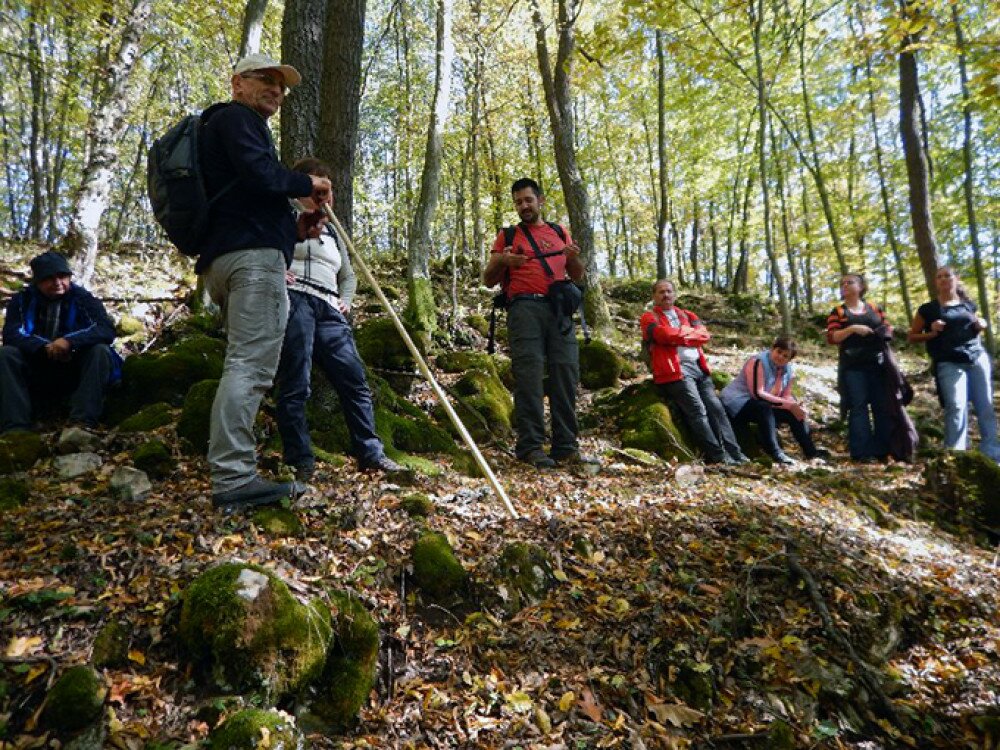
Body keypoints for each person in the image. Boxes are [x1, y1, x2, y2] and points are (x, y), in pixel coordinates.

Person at [196, 53, 332, 510]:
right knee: (250, 367)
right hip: (250, 263)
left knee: (244, 363)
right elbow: (261, 175)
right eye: (265, 80)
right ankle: (233, 477)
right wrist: (304, 182)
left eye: (281, 85)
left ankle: (232, 470)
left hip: (236, 256)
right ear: (238, 83)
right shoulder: (236, 119)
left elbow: (248, 193)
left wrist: (294, 230)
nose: (276, 89)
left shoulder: (234, 127)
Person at [275, 158, 403, 481]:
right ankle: (299, 459)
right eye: (313, 184)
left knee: (355, 378)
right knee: (296, 380)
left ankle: (371, 453)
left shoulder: (333, 230)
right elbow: (267, 252)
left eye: (325, 187)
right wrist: (278, 274)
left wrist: (345, 301)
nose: (320, 194)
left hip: (330, 308)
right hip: (296, 300)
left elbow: (348, 275)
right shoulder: (283, 216)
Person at [483, 177, 594, 469]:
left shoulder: (559, 232)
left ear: (540, 200)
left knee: (566, 374)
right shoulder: (507, 237)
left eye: (528, 200)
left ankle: (566, 446)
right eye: (518, 202)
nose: (524, 206)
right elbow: (488, 279)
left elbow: (578, 274)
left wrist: (572, 258)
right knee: (529, 376)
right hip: (524, 308)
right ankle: (531, 447)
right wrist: (504, 262)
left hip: (559, 310)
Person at [0, 251, 120, 432]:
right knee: (6, 354)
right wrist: (44, 347)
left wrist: (69, 342)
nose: (57, 283)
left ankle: (81, 423)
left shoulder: (83, 298)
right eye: (49, 278)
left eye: (62, 276)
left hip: (74, 368)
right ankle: (16, 428)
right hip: (36, 368)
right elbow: (12, 334)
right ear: (37, 282)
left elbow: (105, 329)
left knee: (100, 351)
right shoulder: (21, 300)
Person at [640, 279, 749, 465]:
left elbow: (704, 335)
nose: (665, 295)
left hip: (699, 368)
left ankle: (736, 453)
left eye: (668, 291)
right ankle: (718, 457)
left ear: (674, 294)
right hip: (674, 371)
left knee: (717, 409)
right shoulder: (649, 318)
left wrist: (679, 334)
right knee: (697, 411)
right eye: (660, 292)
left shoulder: (688, 315)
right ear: (654, 296)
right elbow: (661, 335)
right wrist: (688, 335)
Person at [908, 266, 1000, 461]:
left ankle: (992, 454)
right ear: (935, 282)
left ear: (956, 279)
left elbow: (975, 324)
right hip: (948, 362)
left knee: (985, 406)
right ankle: (955, 456)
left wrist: (980, 324)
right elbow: (912, 336)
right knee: (956, 406)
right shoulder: (928, 309)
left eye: (947, 276)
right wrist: (931, 331)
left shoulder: (968, 305)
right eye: (939, 277)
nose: (943, 280)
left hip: (976, 358)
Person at [721, 337, 826, 465]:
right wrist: (789, 405)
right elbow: (757, 393)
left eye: (785, 356)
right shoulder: (757, 361)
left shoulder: (788, 371)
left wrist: (796, 406)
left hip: (763, 405)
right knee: (764, 408)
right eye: (779, 351)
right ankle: (775, 452)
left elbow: (786, 396)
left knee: (795, 414)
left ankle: (811, 453)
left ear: (789, 359)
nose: (780, 356)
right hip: (737, 403)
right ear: (772, 349)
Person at [825, 273, 892, 462]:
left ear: (861, 286)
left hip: (877, 364)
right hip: (853, 366)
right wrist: (852, 329)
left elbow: (888, 328)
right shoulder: (838, 311)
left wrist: (880, 334)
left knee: (881, 405)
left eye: (849, 282)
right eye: (842, 284)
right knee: (858, 406)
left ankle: (882, 450)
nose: (845, 286)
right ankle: (861, 452)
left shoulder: (873, 308)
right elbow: (832, 337)